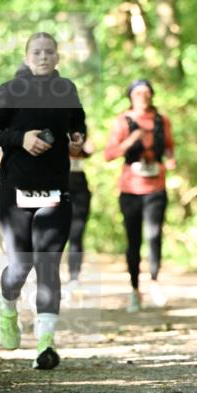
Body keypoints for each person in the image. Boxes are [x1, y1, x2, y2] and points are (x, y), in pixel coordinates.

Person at [0, 32, 86, 369]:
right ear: (26, 57)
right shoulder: (10, 91)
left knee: (49, 262)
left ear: (57, 58)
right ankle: (7, 305)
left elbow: (77, 121)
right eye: (37, 52)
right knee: (22, 265)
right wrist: (18, 139)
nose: (43, 57)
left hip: (55, 189)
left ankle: (45, 344)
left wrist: (79, 135)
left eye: (49, 52)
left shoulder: (65, 89)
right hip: (15, 189)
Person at [104, 79, 175, 312]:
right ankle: (134, 290)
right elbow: (109, 154)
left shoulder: (161, 120)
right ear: (130, 96)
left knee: (154, 236)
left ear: (152, 95)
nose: (142, 97)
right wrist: (132, 140)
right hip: (130, 188)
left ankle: (154, 282)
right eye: (137, 93)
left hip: (156, 186)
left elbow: (169, 145)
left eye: (146, 93)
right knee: (133, 239)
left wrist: (170, 157)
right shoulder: (123, 121)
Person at [65, 138, 94, 302]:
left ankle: (74, 278)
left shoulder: (79, 129)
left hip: (79, 185)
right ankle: (47, 278)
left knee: (76, 234)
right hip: (56, 184)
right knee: (53, 235)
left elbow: (90, 149)